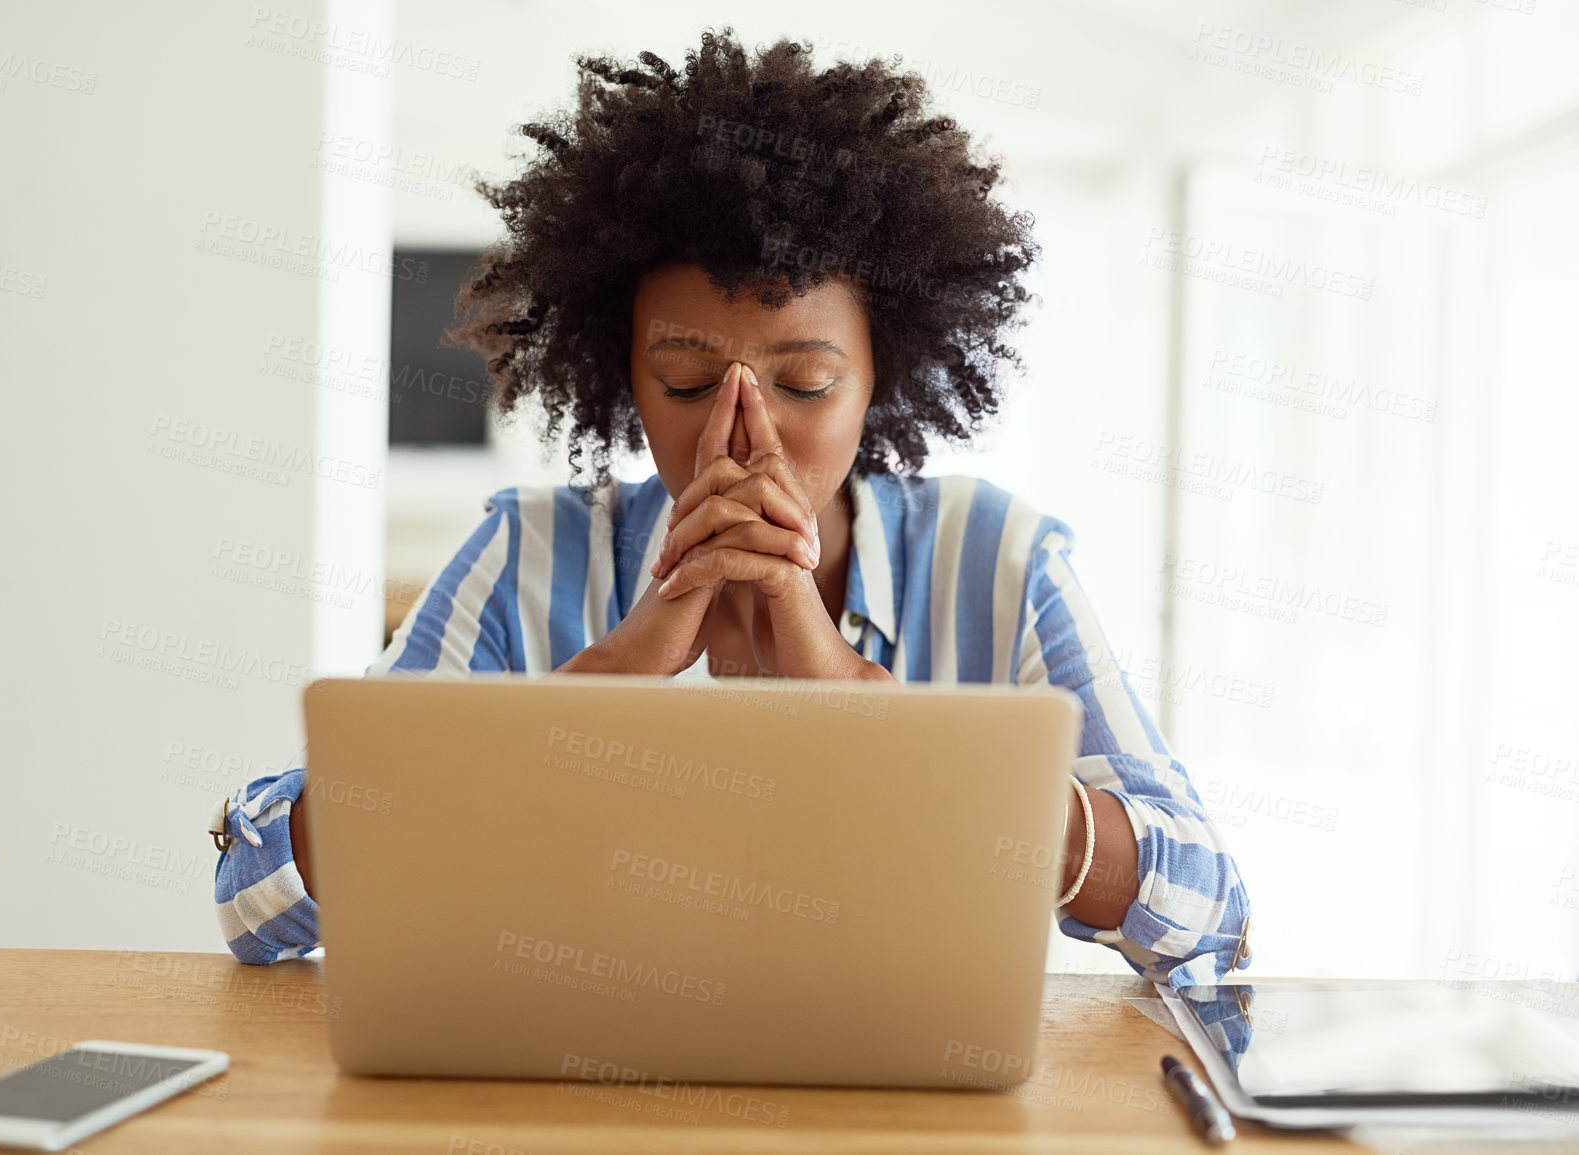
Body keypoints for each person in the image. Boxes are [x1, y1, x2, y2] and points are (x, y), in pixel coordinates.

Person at [210, 28, 1252, 989]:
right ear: (621, 376)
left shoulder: (993, 559)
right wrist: (603, 679)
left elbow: (1209, 909)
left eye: (803, 386)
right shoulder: (527, 552)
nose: (743, 440)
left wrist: (876, 723)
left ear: (880, 379)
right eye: (685, 384)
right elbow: (254, 901)